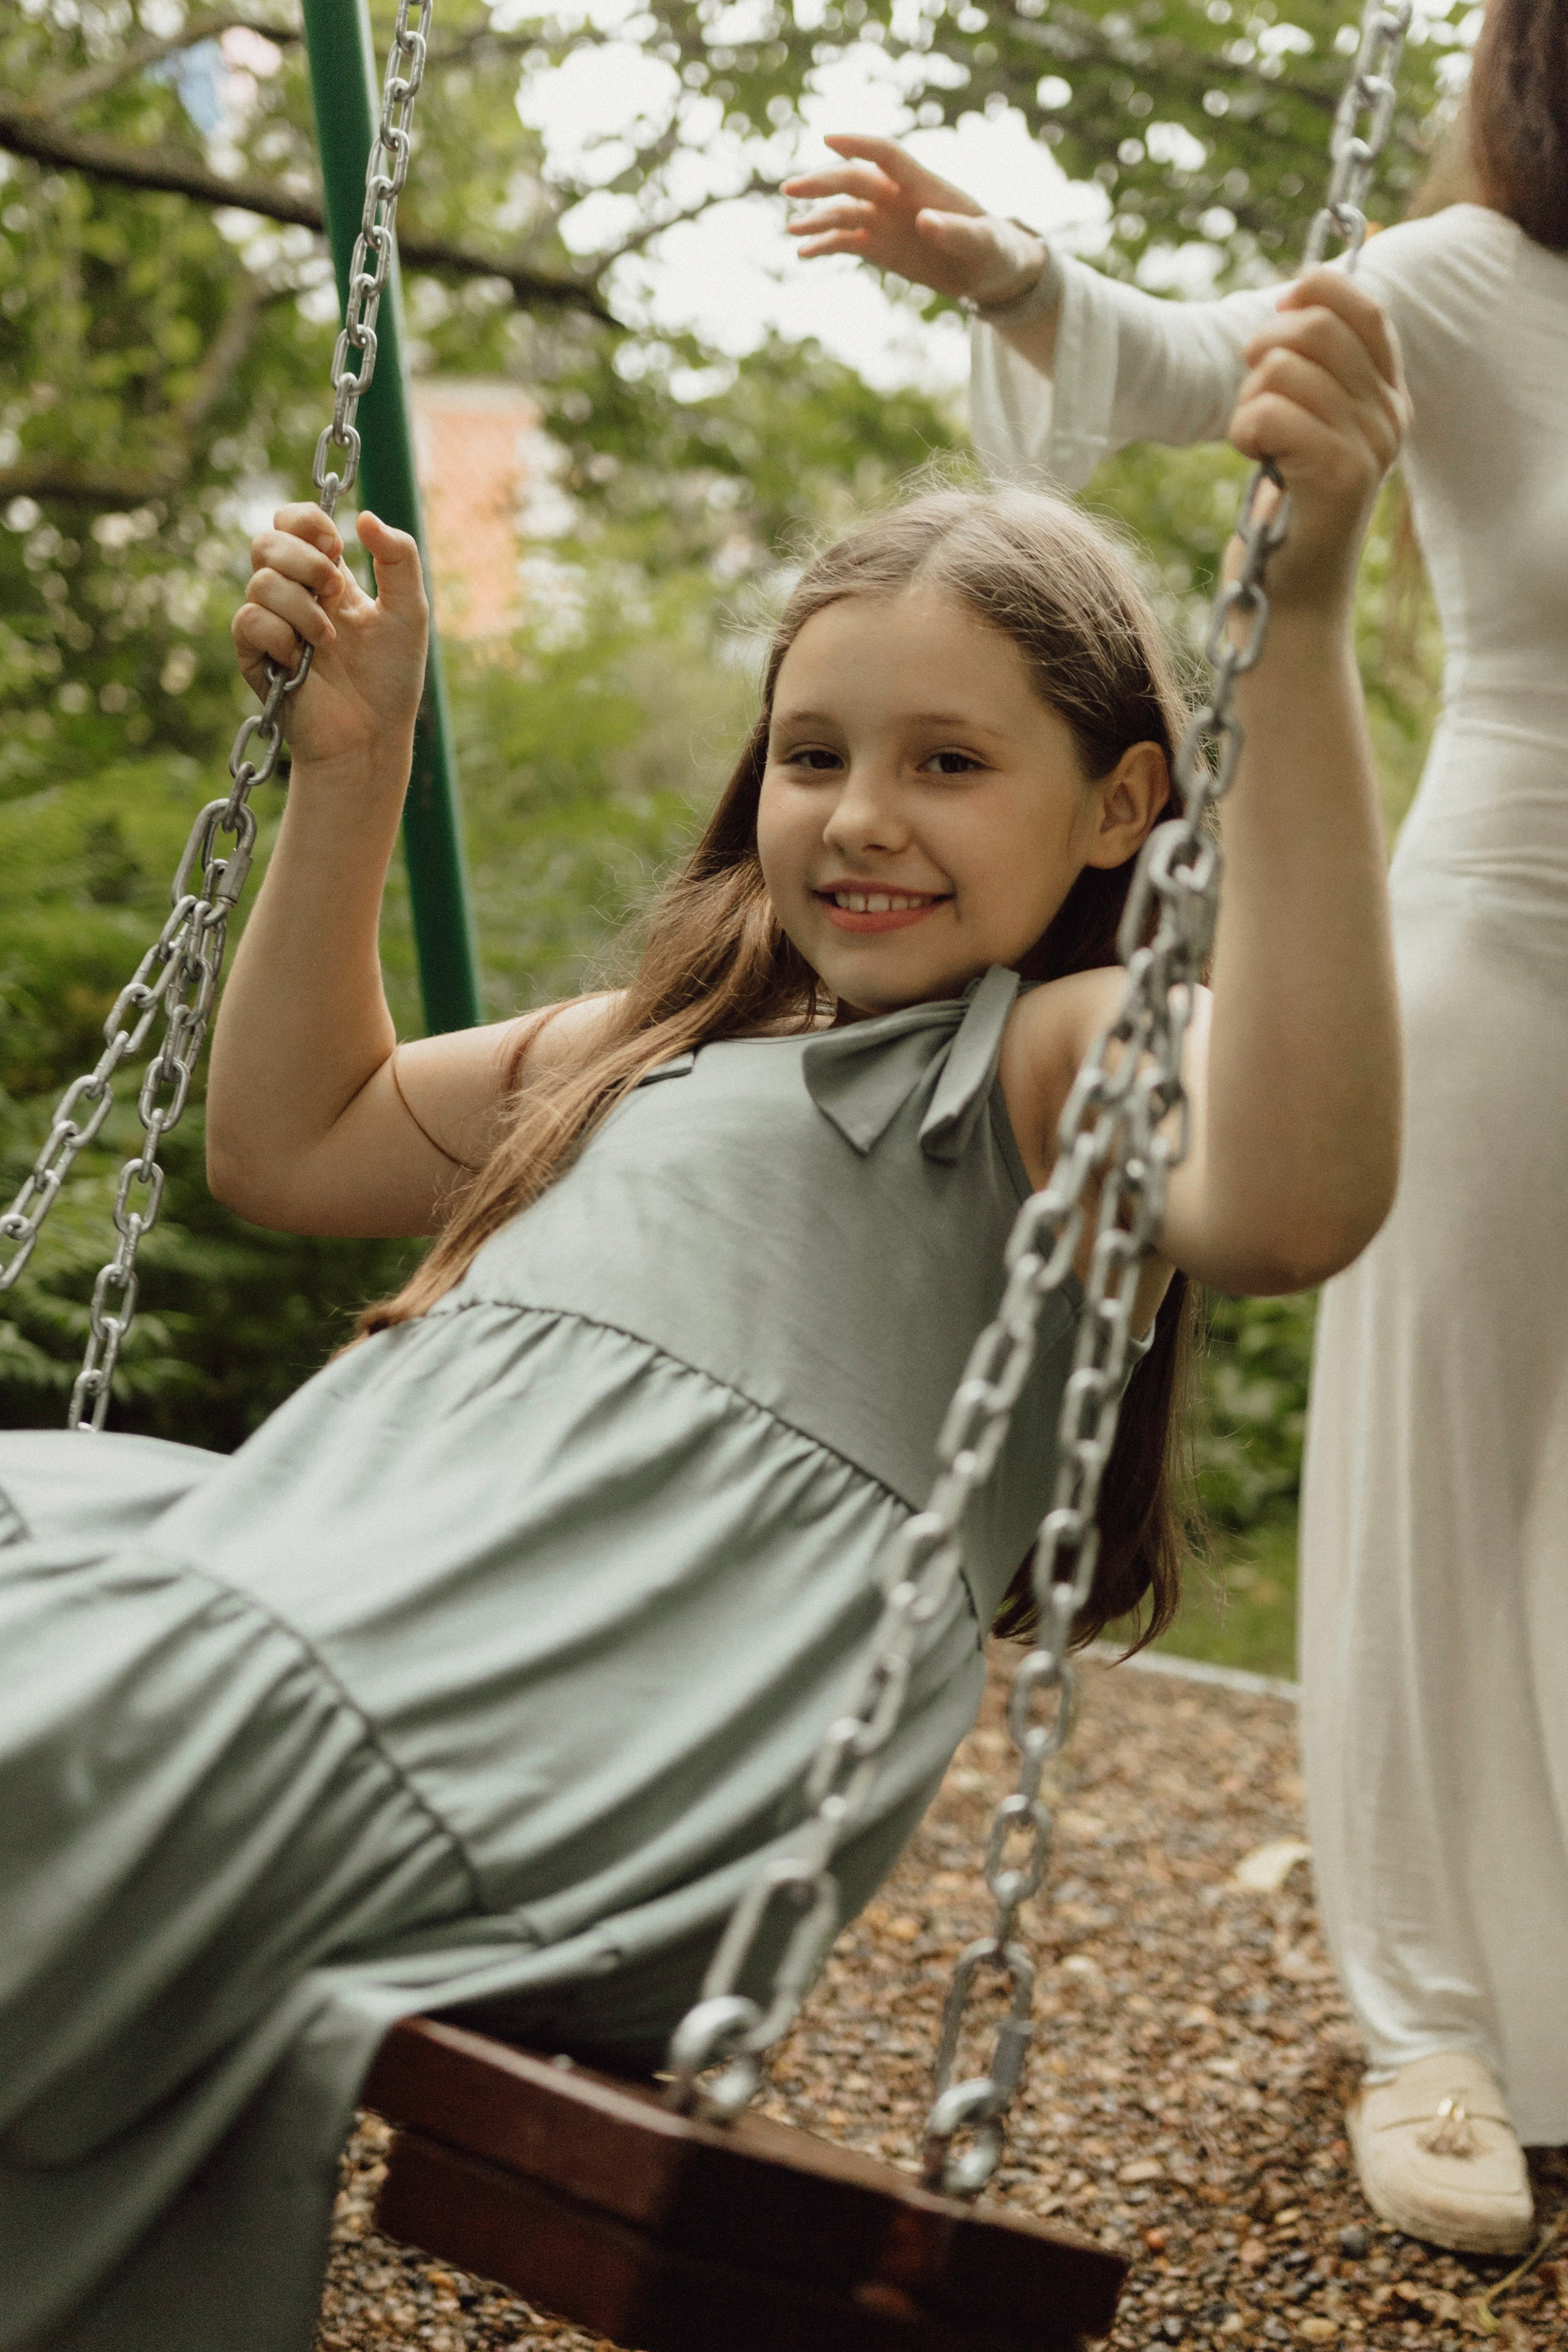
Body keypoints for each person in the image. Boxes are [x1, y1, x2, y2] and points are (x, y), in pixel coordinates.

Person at [0, 270, 1402, 2351]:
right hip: (325, 1583)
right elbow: (294, 1145)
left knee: (90, 1726)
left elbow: (1290, 1197)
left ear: (1119, 809)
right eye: (813, 752)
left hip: (581, 1690)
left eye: (950, 762)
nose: (857, 815)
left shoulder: (1039, 1064)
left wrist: (1294, 641)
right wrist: (354, 762)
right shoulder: (670, 1036)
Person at [782, 0, 1568, 2257]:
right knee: (1437, 1456)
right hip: (1505, 951)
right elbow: (1179, 360)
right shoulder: (1459, 283)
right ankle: (1433, 2027)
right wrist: (1001, 267)